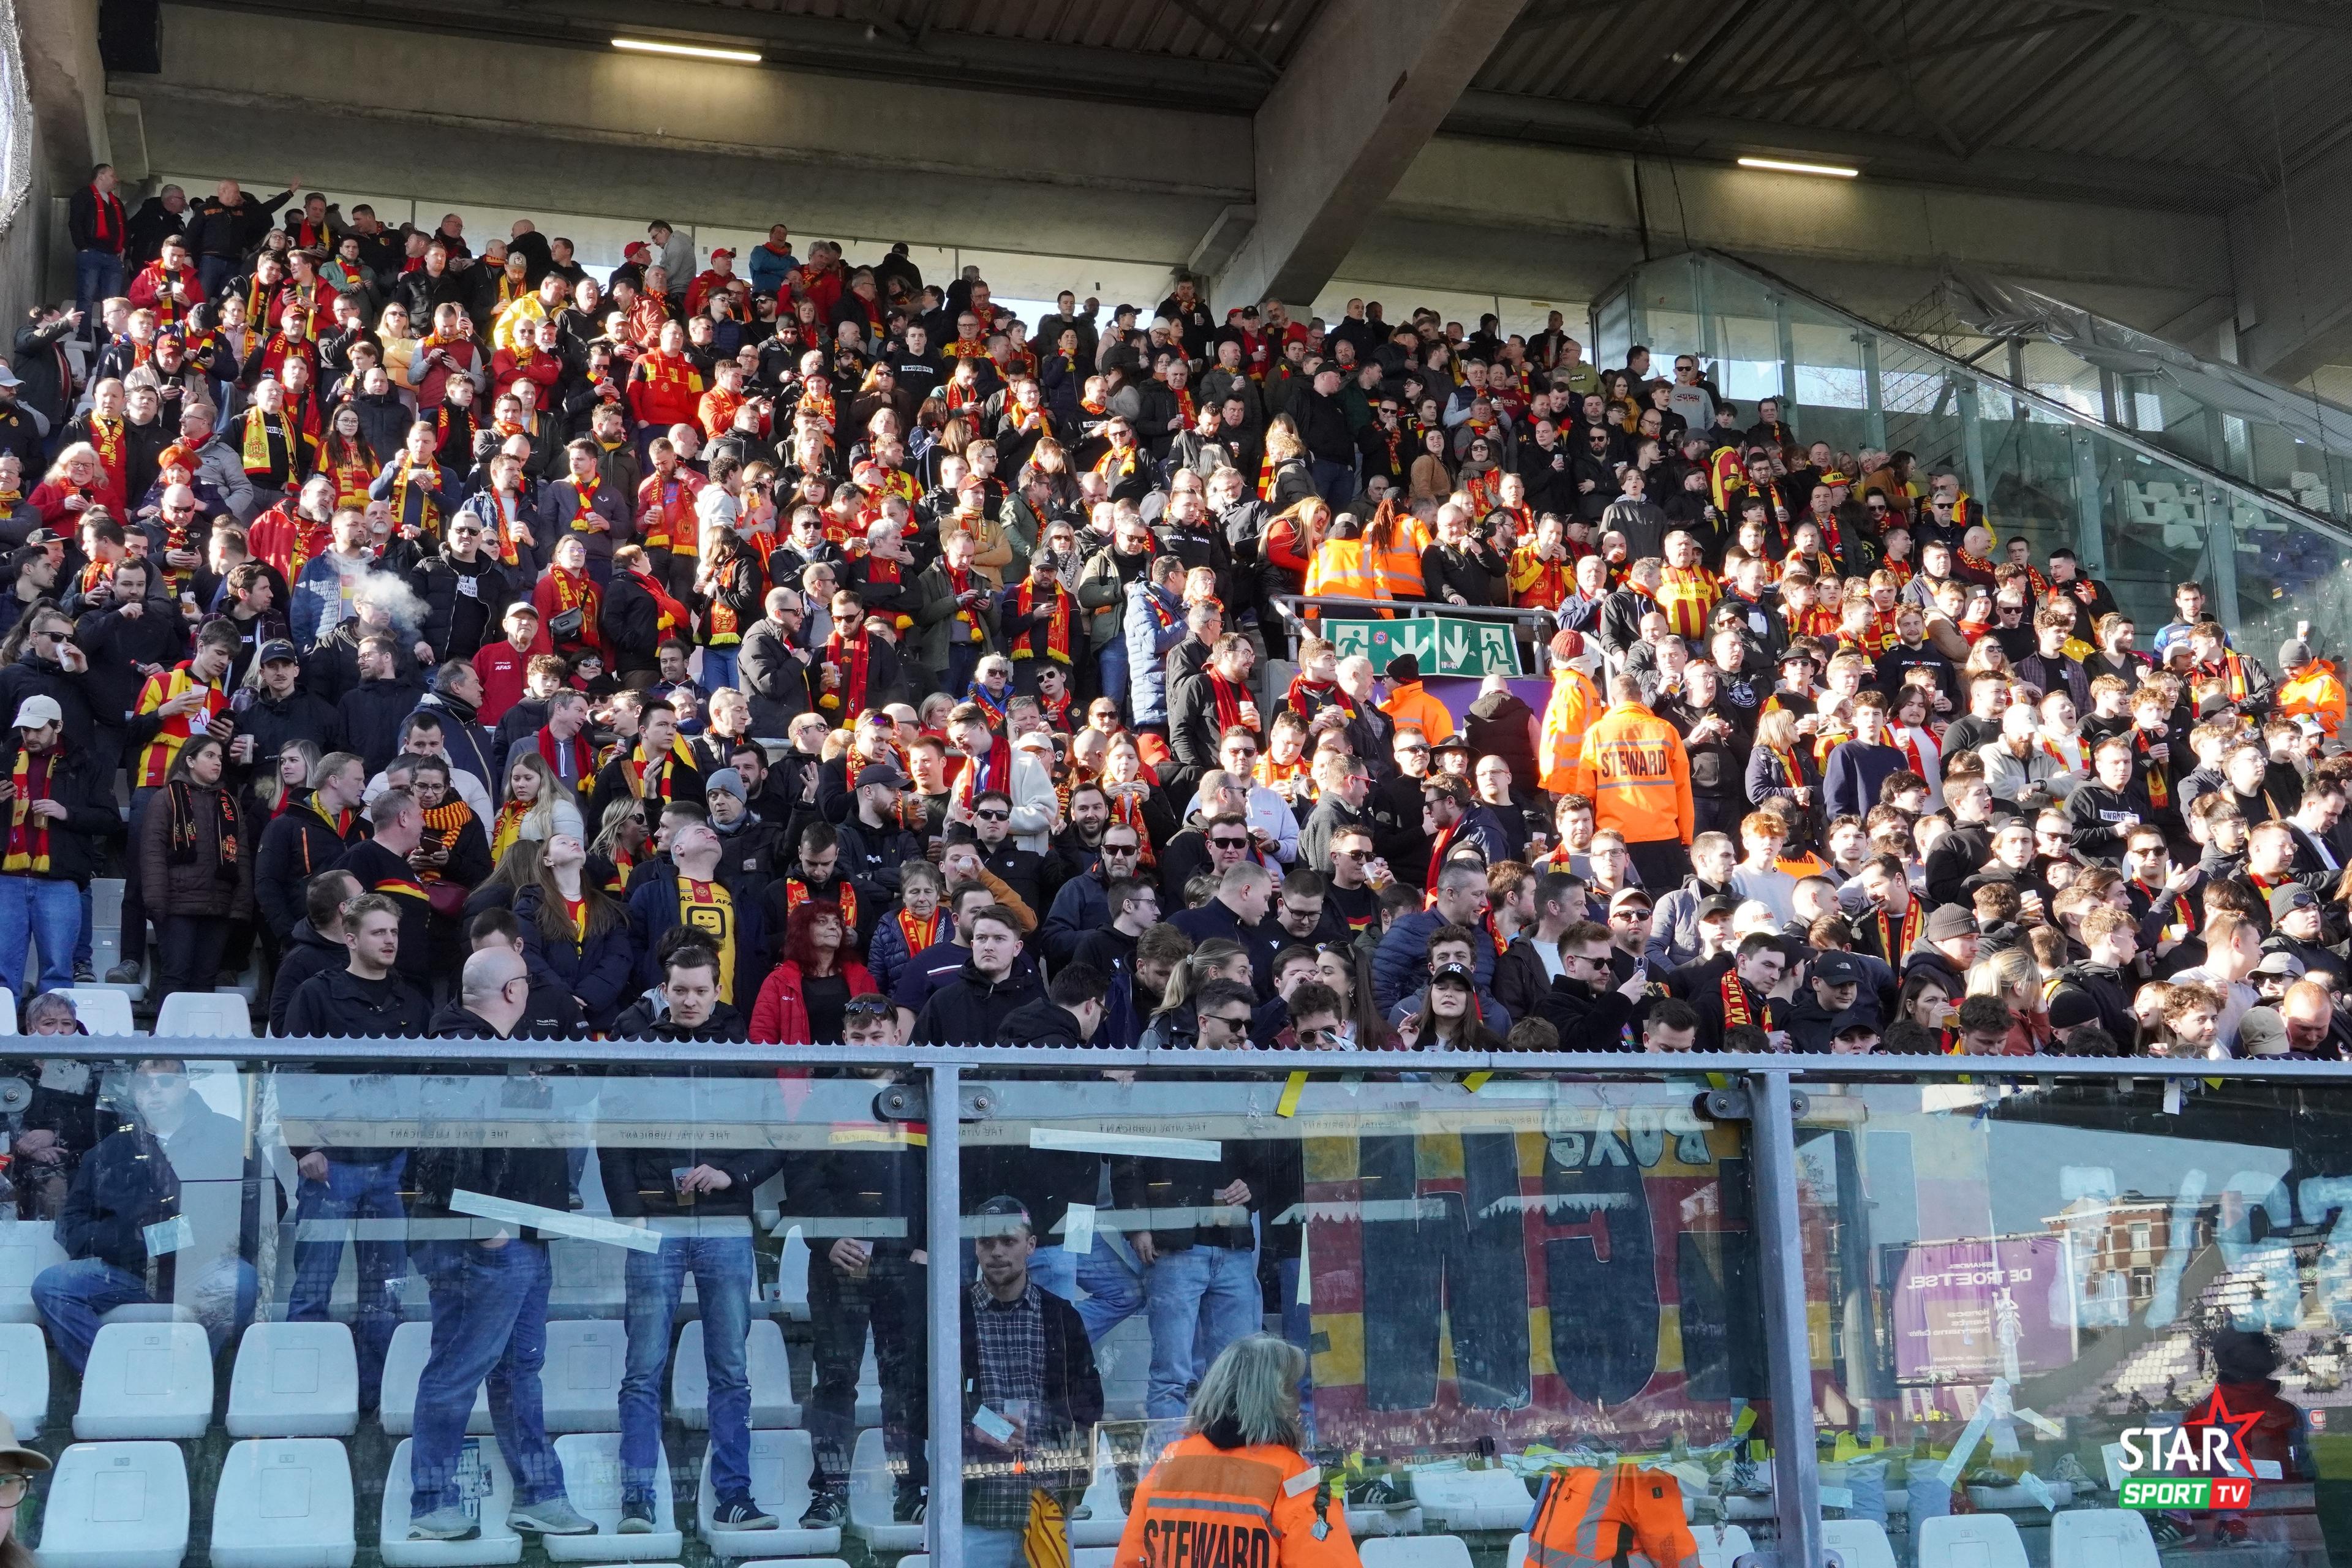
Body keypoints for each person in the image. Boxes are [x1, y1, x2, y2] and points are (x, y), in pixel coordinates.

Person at [406, 948, 596, 1542]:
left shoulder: (497, 1053)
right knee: (458, 1368)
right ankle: (430, 1499)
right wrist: (486, 1226)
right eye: (528, 985)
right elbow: (439, 1151)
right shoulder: (465, 1051)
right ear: (512, 991)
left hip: (521, 1237)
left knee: (519, 1371)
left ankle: (540, 1493)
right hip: (488, 1243)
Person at [600, 1011, 782, 1532]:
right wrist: (630, 1213)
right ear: (665, 988)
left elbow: (776, 1137)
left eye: (700, 990)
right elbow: (612, 1138)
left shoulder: (746, 1051)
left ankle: (735, 1498)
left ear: (717, 989)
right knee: (642, 1369)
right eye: (679, 989)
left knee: (730, 1370)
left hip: (725, 1225)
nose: (689, 1000)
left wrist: (733, 1174)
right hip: (656, 1225)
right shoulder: (637, 1052)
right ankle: (637, 1499)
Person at [34, 1057, 259, 1371]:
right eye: (144, 1084)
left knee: (241, 1281)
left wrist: (212, 1240)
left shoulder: (228, 1135)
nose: (155, 1091)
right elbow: (73, 1221)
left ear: (185, 1086)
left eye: (165, 1082)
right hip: (127, 1270)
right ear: (135, 1093)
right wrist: (126, 1244)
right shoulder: (109, 1148)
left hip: (201, 1267)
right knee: (52, 1285)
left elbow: (262, 1201)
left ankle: (189, 1375)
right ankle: (112, 1376)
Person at [1115, 1336, 1355, 1568]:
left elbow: (1130, 1561)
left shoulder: (1170, 1462)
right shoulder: (1297, 1480)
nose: (1299, 1397)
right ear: (1276, 1398)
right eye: (1292, 1387)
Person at [960, 1194, 1104, 1568]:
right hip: (974, 1513)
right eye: (986, 1242)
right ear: (974, 1247)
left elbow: (1089, 1409)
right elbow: (917, 1403)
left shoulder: (1061, 1316)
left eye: (1008, 1241)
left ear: (1031, 1246)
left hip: (1047, 1504)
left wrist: (1075, 1490)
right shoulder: (949, 1315)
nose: (997, 1252)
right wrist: (976, 1430)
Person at [0, 693, 116, 998]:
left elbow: (110, 819)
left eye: (38, 729)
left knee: (58, 971)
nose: (30, 736)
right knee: (3, 973)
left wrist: (67, 813)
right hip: (7, 878)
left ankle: (53, 1040)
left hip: (60, 878)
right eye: (25, 729)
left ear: (59, 726)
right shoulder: (4, 758)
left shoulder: (85, 762)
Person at [140, 731, 255, 1004]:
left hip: (218, 906)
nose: (218, 763)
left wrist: (241, 904)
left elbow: (242, 857)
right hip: (178, 906)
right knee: (176, 976)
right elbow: (152, 852)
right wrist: (157, 902)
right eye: (210, 756)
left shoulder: (230, 803)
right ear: (190, 761)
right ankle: (166, 1043)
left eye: (220, 758)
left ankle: (199, 1041)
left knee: (206, 979)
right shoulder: (165, 798)